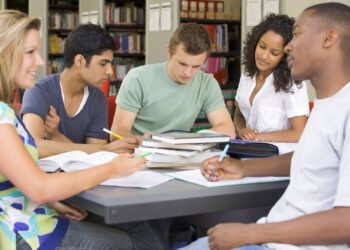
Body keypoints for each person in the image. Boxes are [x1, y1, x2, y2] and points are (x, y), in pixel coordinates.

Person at [181, 2, 350, 250]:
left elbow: (346, 222)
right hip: (270, 238)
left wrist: (251, 232)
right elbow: (309, 158)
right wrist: (242, 168)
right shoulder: (328, 104)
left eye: (298, 34)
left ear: (329, 38)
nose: (289, 46)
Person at [0, 10, 166, 250]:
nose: (39, 61)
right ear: (5, 55)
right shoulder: (3, 115)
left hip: (28, 215)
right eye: (30, 52)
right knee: (142, 240)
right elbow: (40, 188)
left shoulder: (6, 110)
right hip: (24, 232)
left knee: (142, 230)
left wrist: (53, 202)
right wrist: (112, 168)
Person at [19, 23, 139, 158]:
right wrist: (104, 149)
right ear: (80, 60)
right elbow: (33, 146)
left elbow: (96, 156)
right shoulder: (39, 90)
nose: (110, 71)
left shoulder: (98, 98)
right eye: (103, 63)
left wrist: (57, 136)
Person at [110, 23, 235, 140]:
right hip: (138, 153)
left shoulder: (207, 83)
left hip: (181, 153)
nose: (188, 72)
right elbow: (117, 133)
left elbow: (228, 130)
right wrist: (144, 140)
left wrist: (190, 140)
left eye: (196, 66)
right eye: (182, 64)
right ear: (169, 52)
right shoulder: (137, 78)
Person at [234, 14, 309, 143]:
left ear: (285, 57)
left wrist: (257, 138)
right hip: (248, 151)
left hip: (277, 157)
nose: (264, 56)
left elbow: (300, 133)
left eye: (274, 53)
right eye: (262, 46)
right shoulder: (248, 75)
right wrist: (242, 131)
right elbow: (239, 115)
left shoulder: (292, 84)